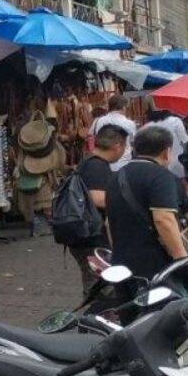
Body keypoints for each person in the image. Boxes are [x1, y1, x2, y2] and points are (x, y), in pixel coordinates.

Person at [105, 125, 188, 279]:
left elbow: (108, 222)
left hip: (121, 264)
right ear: (166, 152)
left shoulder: (116, 176)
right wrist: (182, 260)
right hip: (154, 266)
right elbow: (164, 220)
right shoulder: (161, 177)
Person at [69, 125, 126, 294]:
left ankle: (97, 313)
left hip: (85, 235)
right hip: (91, 236)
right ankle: (96, 316)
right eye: (124, 146)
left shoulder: (89, 162)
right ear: (117, 146)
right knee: (100, 285)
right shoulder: (96, 166)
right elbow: (97, 197)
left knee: (96, 281)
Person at [140, 96, 188, 181]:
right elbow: (185, 142)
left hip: (157, 167)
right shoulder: (176, 121)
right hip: (178, 164)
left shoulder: (146, 127)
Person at [90, 94, 137, 170]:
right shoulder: (129, 123)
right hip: (123, 163)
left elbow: (91, 137)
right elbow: (133, 142)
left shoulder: (98, 121)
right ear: (123, 107)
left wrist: (93, 152)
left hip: (101, 162)